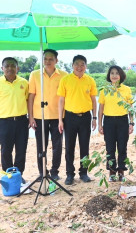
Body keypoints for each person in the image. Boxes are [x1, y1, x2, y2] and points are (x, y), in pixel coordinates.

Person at [28, 49, 68, 181]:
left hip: (58, 117)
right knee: (41, 145)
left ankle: (55, 171)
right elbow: (31, 96)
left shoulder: (64, 75)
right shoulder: (35, 75)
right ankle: (42, 171)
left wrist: (63, 117)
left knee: (57, 145)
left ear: (56, 60)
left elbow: (65, 97)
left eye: (51, 59)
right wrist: (31, 116)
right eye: (45, 59)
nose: (48, 61)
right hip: (40, 116)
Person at [0, 57, 29, 183]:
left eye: (12, 66)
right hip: (5, 122)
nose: (10, 68)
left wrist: (31, 118)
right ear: (2, 68)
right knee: (6, 150)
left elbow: (29, 101)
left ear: (18, 68)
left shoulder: (24, 83)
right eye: (7, 66)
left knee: (21, 150)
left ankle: (19, 175)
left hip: (22, 121)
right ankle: (8, 176)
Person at [57, 55, 97, 185]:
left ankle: (84, 173)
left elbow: (93, 100)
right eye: (77, 64)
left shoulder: (90, 80)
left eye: (82, 64)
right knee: (69, 147)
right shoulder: (65, 80)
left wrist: (94, 117)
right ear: (72, 65)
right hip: (69, 117)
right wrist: (60, 120)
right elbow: (61, 100)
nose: (80, 67)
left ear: (86, 66)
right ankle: (70, 174)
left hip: (85, 117)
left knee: (84, 146)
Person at [98, 66, 134, 182]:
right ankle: (112, 172)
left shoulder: (127, 89)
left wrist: (131, 123)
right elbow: (101, 108)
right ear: (109, 75)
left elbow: (130, 107)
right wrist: (99, 124)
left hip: (123, 121)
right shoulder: (104, 90)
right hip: (108, 121)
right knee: (110, 148)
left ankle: (121, 171)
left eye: (117, 73)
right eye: (112, 73)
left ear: (121, 75)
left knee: (122, 147)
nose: (114, 75)